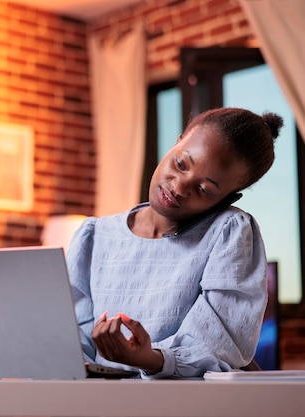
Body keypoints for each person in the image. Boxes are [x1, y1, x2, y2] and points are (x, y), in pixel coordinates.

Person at [66, 107, 284, 379]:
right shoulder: (95, 236)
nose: (179, 187)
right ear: (177, 141)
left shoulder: (228, 232)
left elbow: (220, 341)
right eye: (181, 164)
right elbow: (71, 338)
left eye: (204, 190)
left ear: (229, 199)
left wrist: (151, 358)